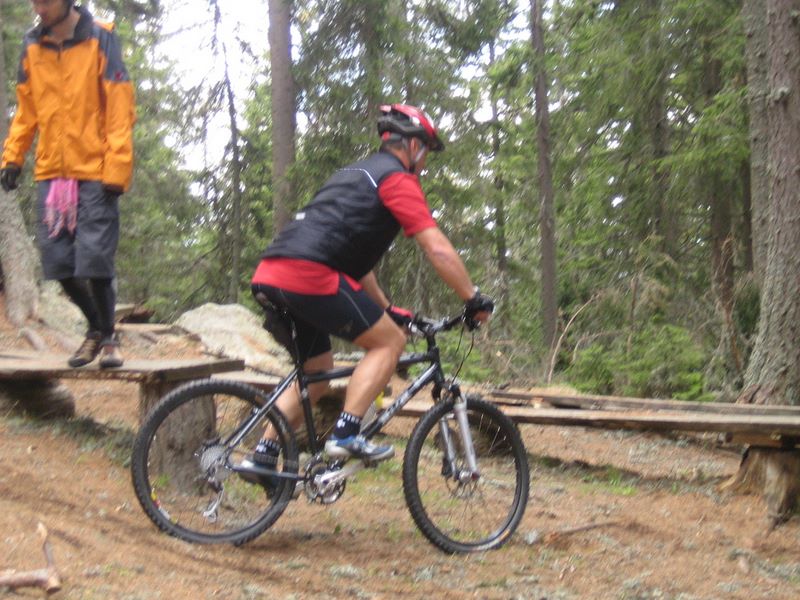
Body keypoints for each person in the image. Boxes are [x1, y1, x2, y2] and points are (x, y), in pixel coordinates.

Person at [245, 103, 494, 479]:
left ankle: (263, 455)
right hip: (310, 272)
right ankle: (346, 434)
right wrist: (471, 297)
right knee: (389, 342)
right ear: (413, 146)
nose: (425, 161)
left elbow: (358, 267)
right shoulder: (397, 179)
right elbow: (437, 248)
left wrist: (388, 309)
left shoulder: (352, 175)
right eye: (426, 150)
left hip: (273, 273)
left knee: (317, 372)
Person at [0, 0, 135, 368]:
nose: (38, 8)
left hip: (96, 170)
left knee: (94, 260)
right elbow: (26, 109)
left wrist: (117, 168)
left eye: (45, 1)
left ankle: (108, 341)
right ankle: (99, 329)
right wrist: (13, 157)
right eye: (35, 1)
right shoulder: (32, 44)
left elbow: (120, 107)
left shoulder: (101, 38)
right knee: (57, 263)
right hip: (52, 172)